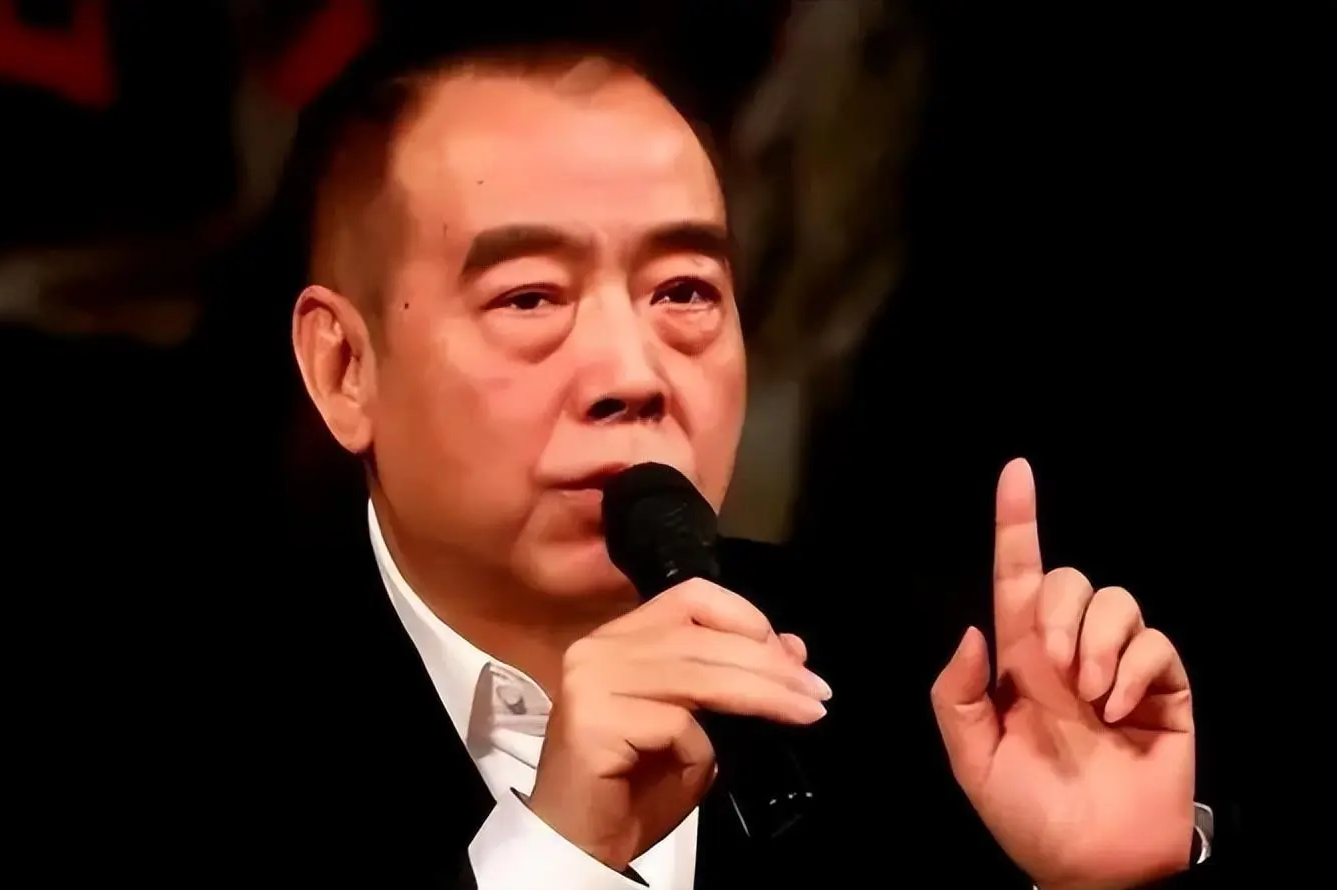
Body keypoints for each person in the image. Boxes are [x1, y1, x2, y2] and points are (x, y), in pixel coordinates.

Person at [244, 36, 1227, 889]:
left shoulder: (928, 696)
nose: (632, 375)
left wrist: (1108, 880)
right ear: (344, 369)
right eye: (530, 298)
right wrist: (559, 859)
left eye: (682, 292)